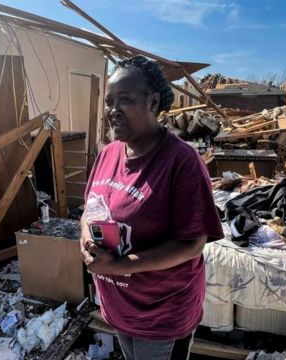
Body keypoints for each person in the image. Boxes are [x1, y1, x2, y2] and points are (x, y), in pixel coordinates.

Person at [79, 55, 223, 360]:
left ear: (154, 101)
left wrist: (120, 266)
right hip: (120, 306)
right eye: (109, 102)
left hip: (161, 314)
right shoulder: (108, 154)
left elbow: (192, 244)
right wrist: (86, 241)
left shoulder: (181, 162)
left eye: (125, 100)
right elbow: (89, 209)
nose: (113, 111)